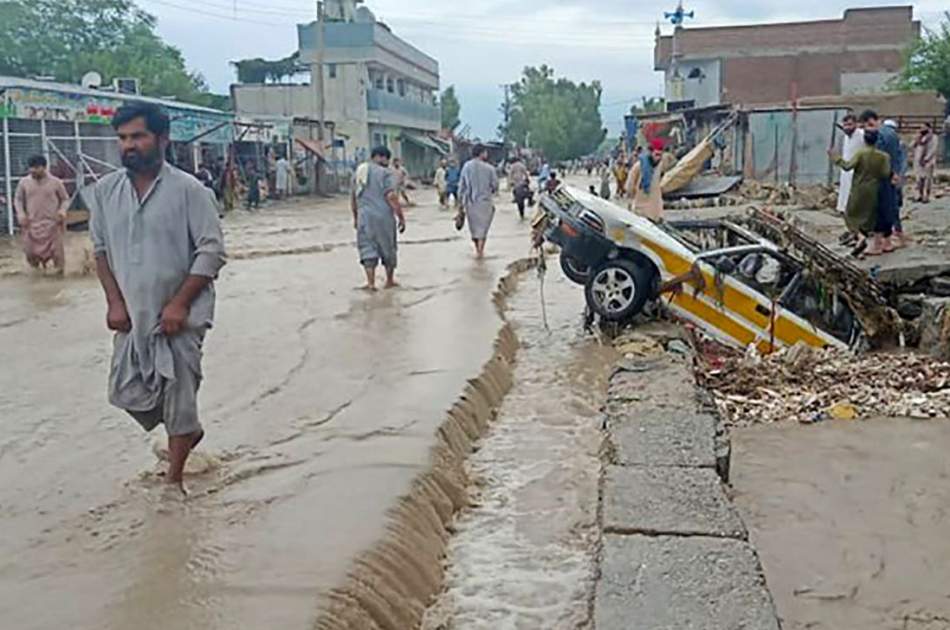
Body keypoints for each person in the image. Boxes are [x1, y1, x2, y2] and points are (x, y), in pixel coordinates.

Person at [87, 102, 226, 493]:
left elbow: (211, 251)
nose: (128, 145)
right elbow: (99, 250)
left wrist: (180, 303)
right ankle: (187, 432)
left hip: (181, 317)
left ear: (162, 139)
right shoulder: (104, 192)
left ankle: (174, 481)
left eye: (137, 136)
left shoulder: (190, 190)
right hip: (133, 316)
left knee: (179, 394)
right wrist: (113, 302)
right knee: (125, 392)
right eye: (123, 138)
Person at [351, 146, 406, 291]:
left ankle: (370, 283)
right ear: (381, 157)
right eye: (386, 159)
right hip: (383, 218)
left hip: (364, 217)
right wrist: (401, 216)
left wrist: (356, 217)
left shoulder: (359, 172)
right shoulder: (386, 173)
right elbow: (391, 196)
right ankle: (389, 281)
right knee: (388, 248)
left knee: (367, 248)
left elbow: (353, 198)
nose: (387, 162)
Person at [829, 129, 891, 256]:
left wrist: (835, 158)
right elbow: (885, 173)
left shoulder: (861, 154)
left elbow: (847, 166)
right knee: (868, 217)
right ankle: (866, 241)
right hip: (874, 190)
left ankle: (860, 237)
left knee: (849, 214)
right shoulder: (884, 156)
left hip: (859, 188)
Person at [14, 155, 70, 273]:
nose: (32, 170)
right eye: (31, 168)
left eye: (36, 167)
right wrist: (21, 214)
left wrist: (62, 211)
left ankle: (59, 280)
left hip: (53, 224)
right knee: (30, 254)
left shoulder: (56, 182)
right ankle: (36, 279)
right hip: (31, 224)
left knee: (58, 255)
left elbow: (65, 199)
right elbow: (18, 199)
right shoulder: (24, 182)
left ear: (44, 167)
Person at [861, 111, 905, 250]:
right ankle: (888, 242)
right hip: (890, 176)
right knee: (890, 208)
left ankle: (879, 244)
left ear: (872, 121)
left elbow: (880, 158)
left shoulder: (880, 136)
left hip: (882, 177)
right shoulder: (891, 135)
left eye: (867, 125)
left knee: (880, 211)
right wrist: (897, 173)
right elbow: (898, 156)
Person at [458, 144, 499, 259]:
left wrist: (460, 203)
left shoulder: (466, 167)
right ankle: (480, 252)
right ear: (482, 153)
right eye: (485, 152)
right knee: (483, 230)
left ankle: (478, 251)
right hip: (485, 203)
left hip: (470, 203)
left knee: (474, 229)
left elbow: (461, 186)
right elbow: (495, 186)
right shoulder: (490, 168)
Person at [626, 139, 666, 221]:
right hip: (641, 210)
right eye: (656, 155)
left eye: (660, 155)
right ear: (650, 153)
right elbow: (629, 187)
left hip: (655, 210)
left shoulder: (659, 166)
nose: (658, 158)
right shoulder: (638, 167)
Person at [836, 114, 864, 214]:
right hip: (846, 168)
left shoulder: (861, 135)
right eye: (845, 125)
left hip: (858, 169)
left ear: (856, 124)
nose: (847, 127)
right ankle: (843, 209)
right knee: (844, 189)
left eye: (850, 124)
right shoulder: (846, 137)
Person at [913, 123, 939, 203]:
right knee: (919, 179)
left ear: (928, 128)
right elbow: (912, 146)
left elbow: (933, 149)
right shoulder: (919, 137)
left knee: (928, 179)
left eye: (923, 127)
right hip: (918, 161)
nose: (921, 129)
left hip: (928, 161)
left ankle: (926, 196)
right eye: (921, 127)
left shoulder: (933, 137)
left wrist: (927, 158)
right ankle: (920, 195)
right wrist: (916, 139)